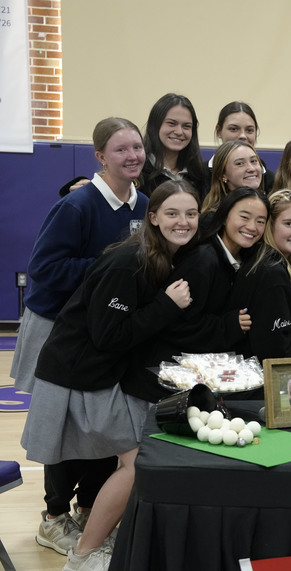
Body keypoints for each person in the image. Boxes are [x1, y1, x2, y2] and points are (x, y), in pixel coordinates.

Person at [21, 180, 200, 570]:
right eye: (172, 213)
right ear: (152, 217)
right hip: (79, 374)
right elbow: (109, 336)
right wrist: (167, 305)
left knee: (131, 460)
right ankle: (84, 553)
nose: (183, 221)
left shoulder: (161, 257)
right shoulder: (129, 261)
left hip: (100, 373)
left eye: (191, 214)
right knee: (135, 462)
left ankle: (96, 538)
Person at [10, 117, 148, 557]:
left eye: (137, 147)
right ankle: (53, 518)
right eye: (121, 149)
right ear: (100, 156)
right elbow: (45, 269)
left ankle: (89, 509)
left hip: (108, 331)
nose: (132, 156)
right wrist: (110, 268)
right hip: (61, 331)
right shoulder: (77, 205)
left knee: (106, 426)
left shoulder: (144, 204)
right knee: (65, 427)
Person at [130, 188, 264, 392]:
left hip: (197, 378)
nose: (252, 227)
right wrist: (228, 325)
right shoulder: (203, 261)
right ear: (225, 216)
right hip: (166, 381)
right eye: (244, 217)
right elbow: (176, 325)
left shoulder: (241, 257)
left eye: (261, 221)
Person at [229, 189, 291, 361]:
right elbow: (278, 351)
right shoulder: (272, 273)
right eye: (289, 223)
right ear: (270, 224)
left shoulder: (264, 261)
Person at [139, 93, 207, 198]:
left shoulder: (200, 175)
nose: (179, 132)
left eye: (186, 126)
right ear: (155, 125)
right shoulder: (139, 172)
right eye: (171, 123)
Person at [211, 101, 275, 193]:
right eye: (233, 129)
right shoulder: (199, 175)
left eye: (249, 130)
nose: (242, 136)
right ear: (219, 131)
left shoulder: (271, 181)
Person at [202, 140, 265, 215]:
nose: (251, 169)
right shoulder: (213, 217)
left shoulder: (268, 208)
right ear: (222, 175)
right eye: (240, 163)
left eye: (254, 161)